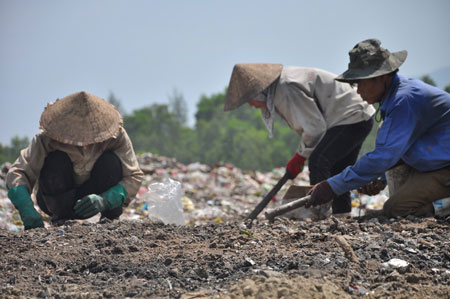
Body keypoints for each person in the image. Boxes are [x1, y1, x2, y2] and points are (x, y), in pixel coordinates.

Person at [307, 39, 450, 218]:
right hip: (431, 165)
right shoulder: (395, 98)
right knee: (392, 209)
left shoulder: (404, 100)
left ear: (381, 77)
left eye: (361, 83)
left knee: (397, 209)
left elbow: (384, 156)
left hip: (445, 167)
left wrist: (331, 186)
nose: (358, 91)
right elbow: (400, 151)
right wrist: (380, 178)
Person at [224, 64, 375, 215]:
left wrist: (300, 157)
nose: (251, 105)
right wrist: (301, 155)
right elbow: (313, 128)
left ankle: (320, 215)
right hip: (356, 116)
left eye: (249, 100)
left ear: (258, 93)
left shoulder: (286, 88)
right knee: (337, 170)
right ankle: (341, 215)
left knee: (319, 161)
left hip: (351, 116)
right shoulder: (283, 85)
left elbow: (314, 129)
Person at [6, 91, 144, 230]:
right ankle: (61, 217)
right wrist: (26, 209)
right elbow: (18, 173)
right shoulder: (46, 139)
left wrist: (106, 200)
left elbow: (133, 176)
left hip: (97, 196)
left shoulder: (115, 136)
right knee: (55, 161)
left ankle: (109, 217)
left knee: (111, 162)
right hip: (57, 200)